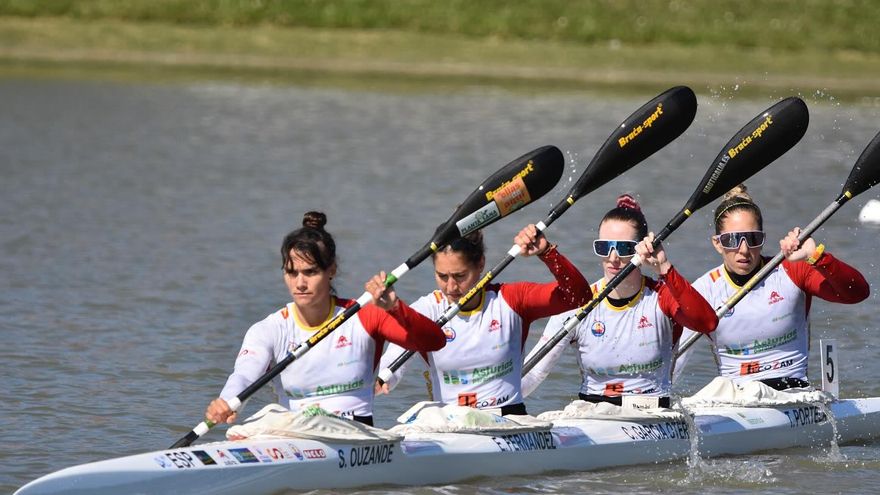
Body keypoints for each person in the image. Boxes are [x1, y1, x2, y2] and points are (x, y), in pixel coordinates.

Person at [205, 211, 446, 426]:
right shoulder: (269, 329)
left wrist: (395, 307)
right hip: (293, 436)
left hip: (355, 438)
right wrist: (227, 401)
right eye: (292, 272)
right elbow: (245, 375)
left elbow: (433, 341)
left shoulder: (364, 316)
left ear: (331, 270)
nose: (299, 283)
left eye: (310, 272)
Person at [521, 194, 718, 407]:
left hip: (651, 415)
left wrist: (664, 267)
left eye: (624, 248)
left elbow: (706, 323)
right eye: (605, 247)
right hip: (592, 413)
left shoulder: (661, 297)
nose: (613, 258)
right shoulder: (579, 304)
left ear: (642, 250)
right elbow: (534, 374)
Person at [376, 224, 591, 415]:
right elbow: (395, 355)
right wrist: (382, 378)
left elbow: (579, 296)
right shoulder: (427, 310)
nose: (450, 287)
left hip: (508, 420)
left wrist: (547, 252)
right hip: (449, 423)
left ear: (481, 264)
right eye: (442, 276)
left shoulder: (512, 300)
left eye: (460, 276)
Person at [677, 185, 869, 390]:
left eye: (752, 239)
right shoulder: (704, 290)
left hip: (793, 392)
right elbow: (675, 359)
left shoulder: (791, 271)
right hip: (736, 398)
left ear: (763, 239)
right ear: (717, 243)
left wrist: (817, 257)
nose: (744, 250)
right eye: (732, 240)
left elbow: (857, 293)